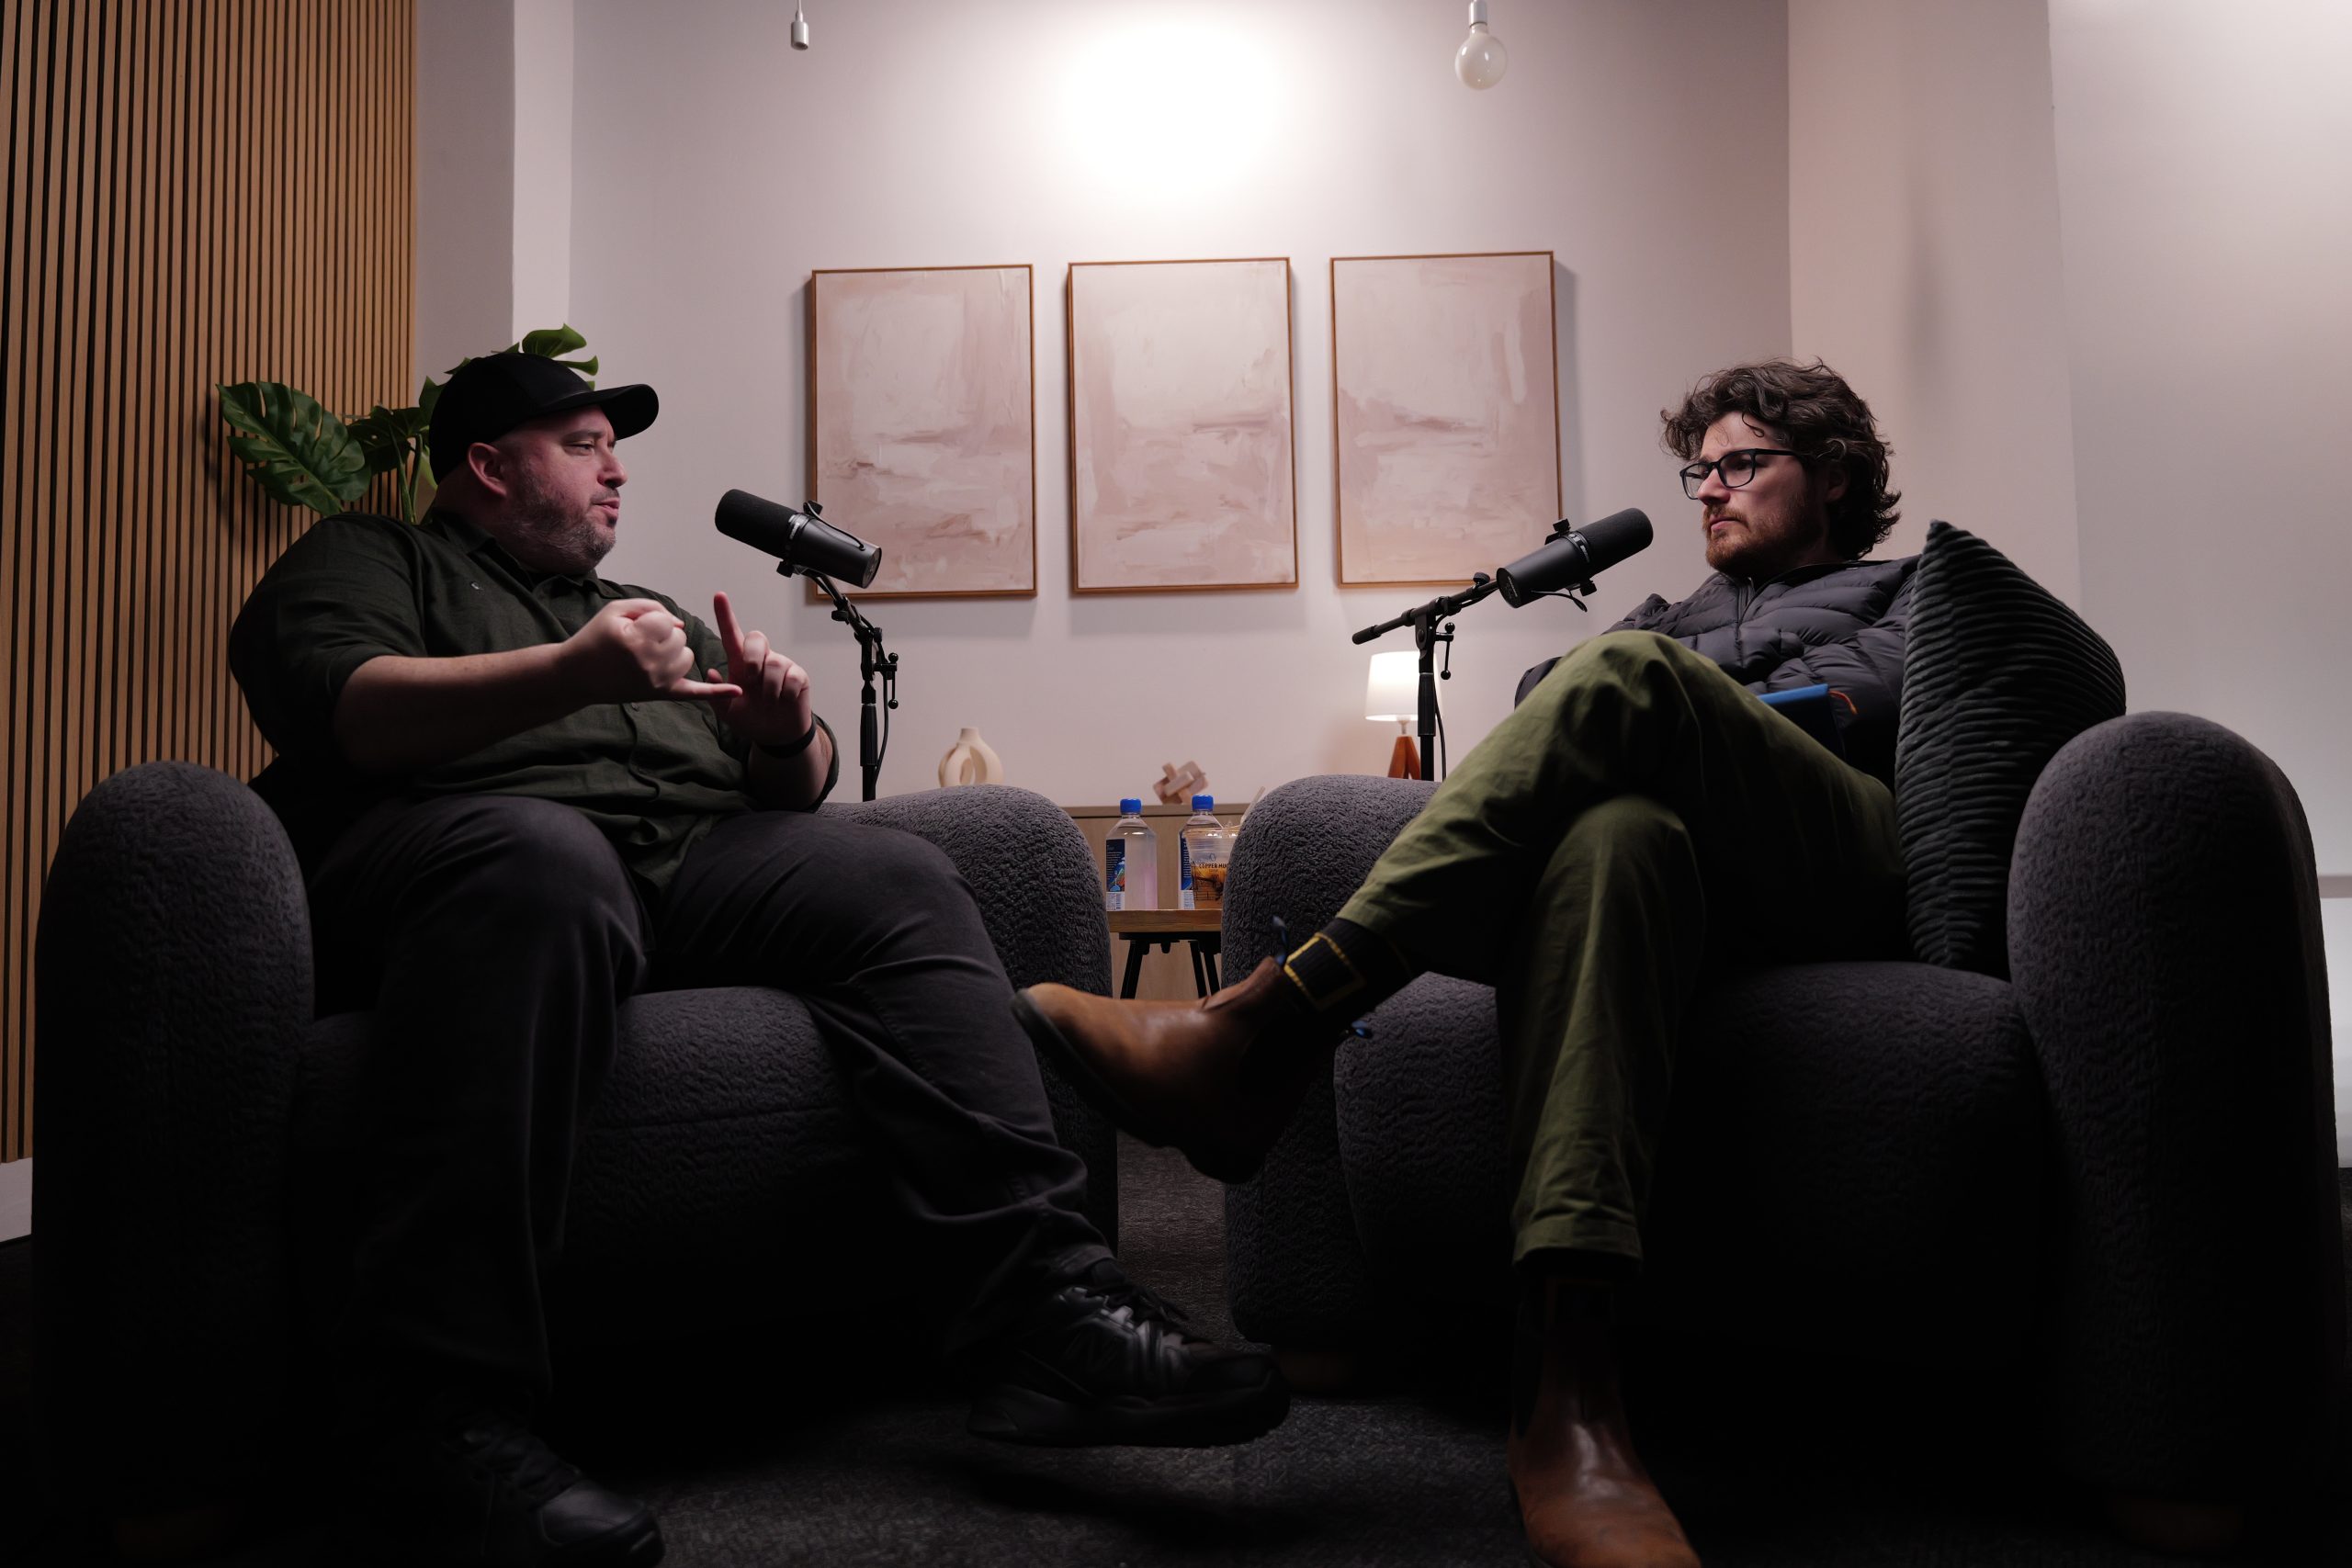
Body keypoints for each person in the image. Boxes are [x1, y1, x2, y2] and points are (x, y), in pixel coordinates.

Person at [229, 352, 1287, 1567]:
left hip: (679, 862)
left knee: (893, 876)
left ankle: (1044, 1315)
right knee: (543, 862)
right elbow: (348, 709)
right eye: (582, 446)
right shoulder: (374, 560)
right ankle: (433, 1413)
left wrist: (786, 736)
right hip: (466, 855)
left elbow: (794, 783)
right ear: (487, 465)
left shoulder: (644, 610)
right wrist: (572, 675)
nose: (616, 471)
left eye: (613, 448)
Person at [1013, 358, 1915, 1568]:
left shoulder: (1907, 590)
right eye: (1698, 470)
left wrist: (1665, 701)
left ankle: (1268, 1029)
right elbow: (1546, 704)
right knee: (1615, 836)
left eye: (1741, 464)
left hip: (1824, 853)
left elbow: (1860, 705)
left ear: (1837, 475)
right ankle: (1571, 1407)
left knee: (1624, 683)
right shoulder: (1665, 615)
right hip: (1674, 886)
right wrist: (1634, 713)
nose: (1709, 489)